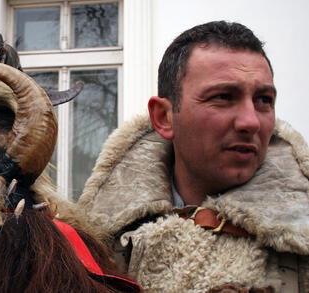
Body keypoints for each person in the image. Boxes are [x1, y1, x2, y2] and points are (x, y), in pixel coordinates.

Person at [78, 21, 309, 293]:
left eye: (264, 100)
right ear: (164, 117)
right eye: (223, 96)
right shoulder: (92, 249)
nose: (251, 122)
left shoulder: (299, 240)